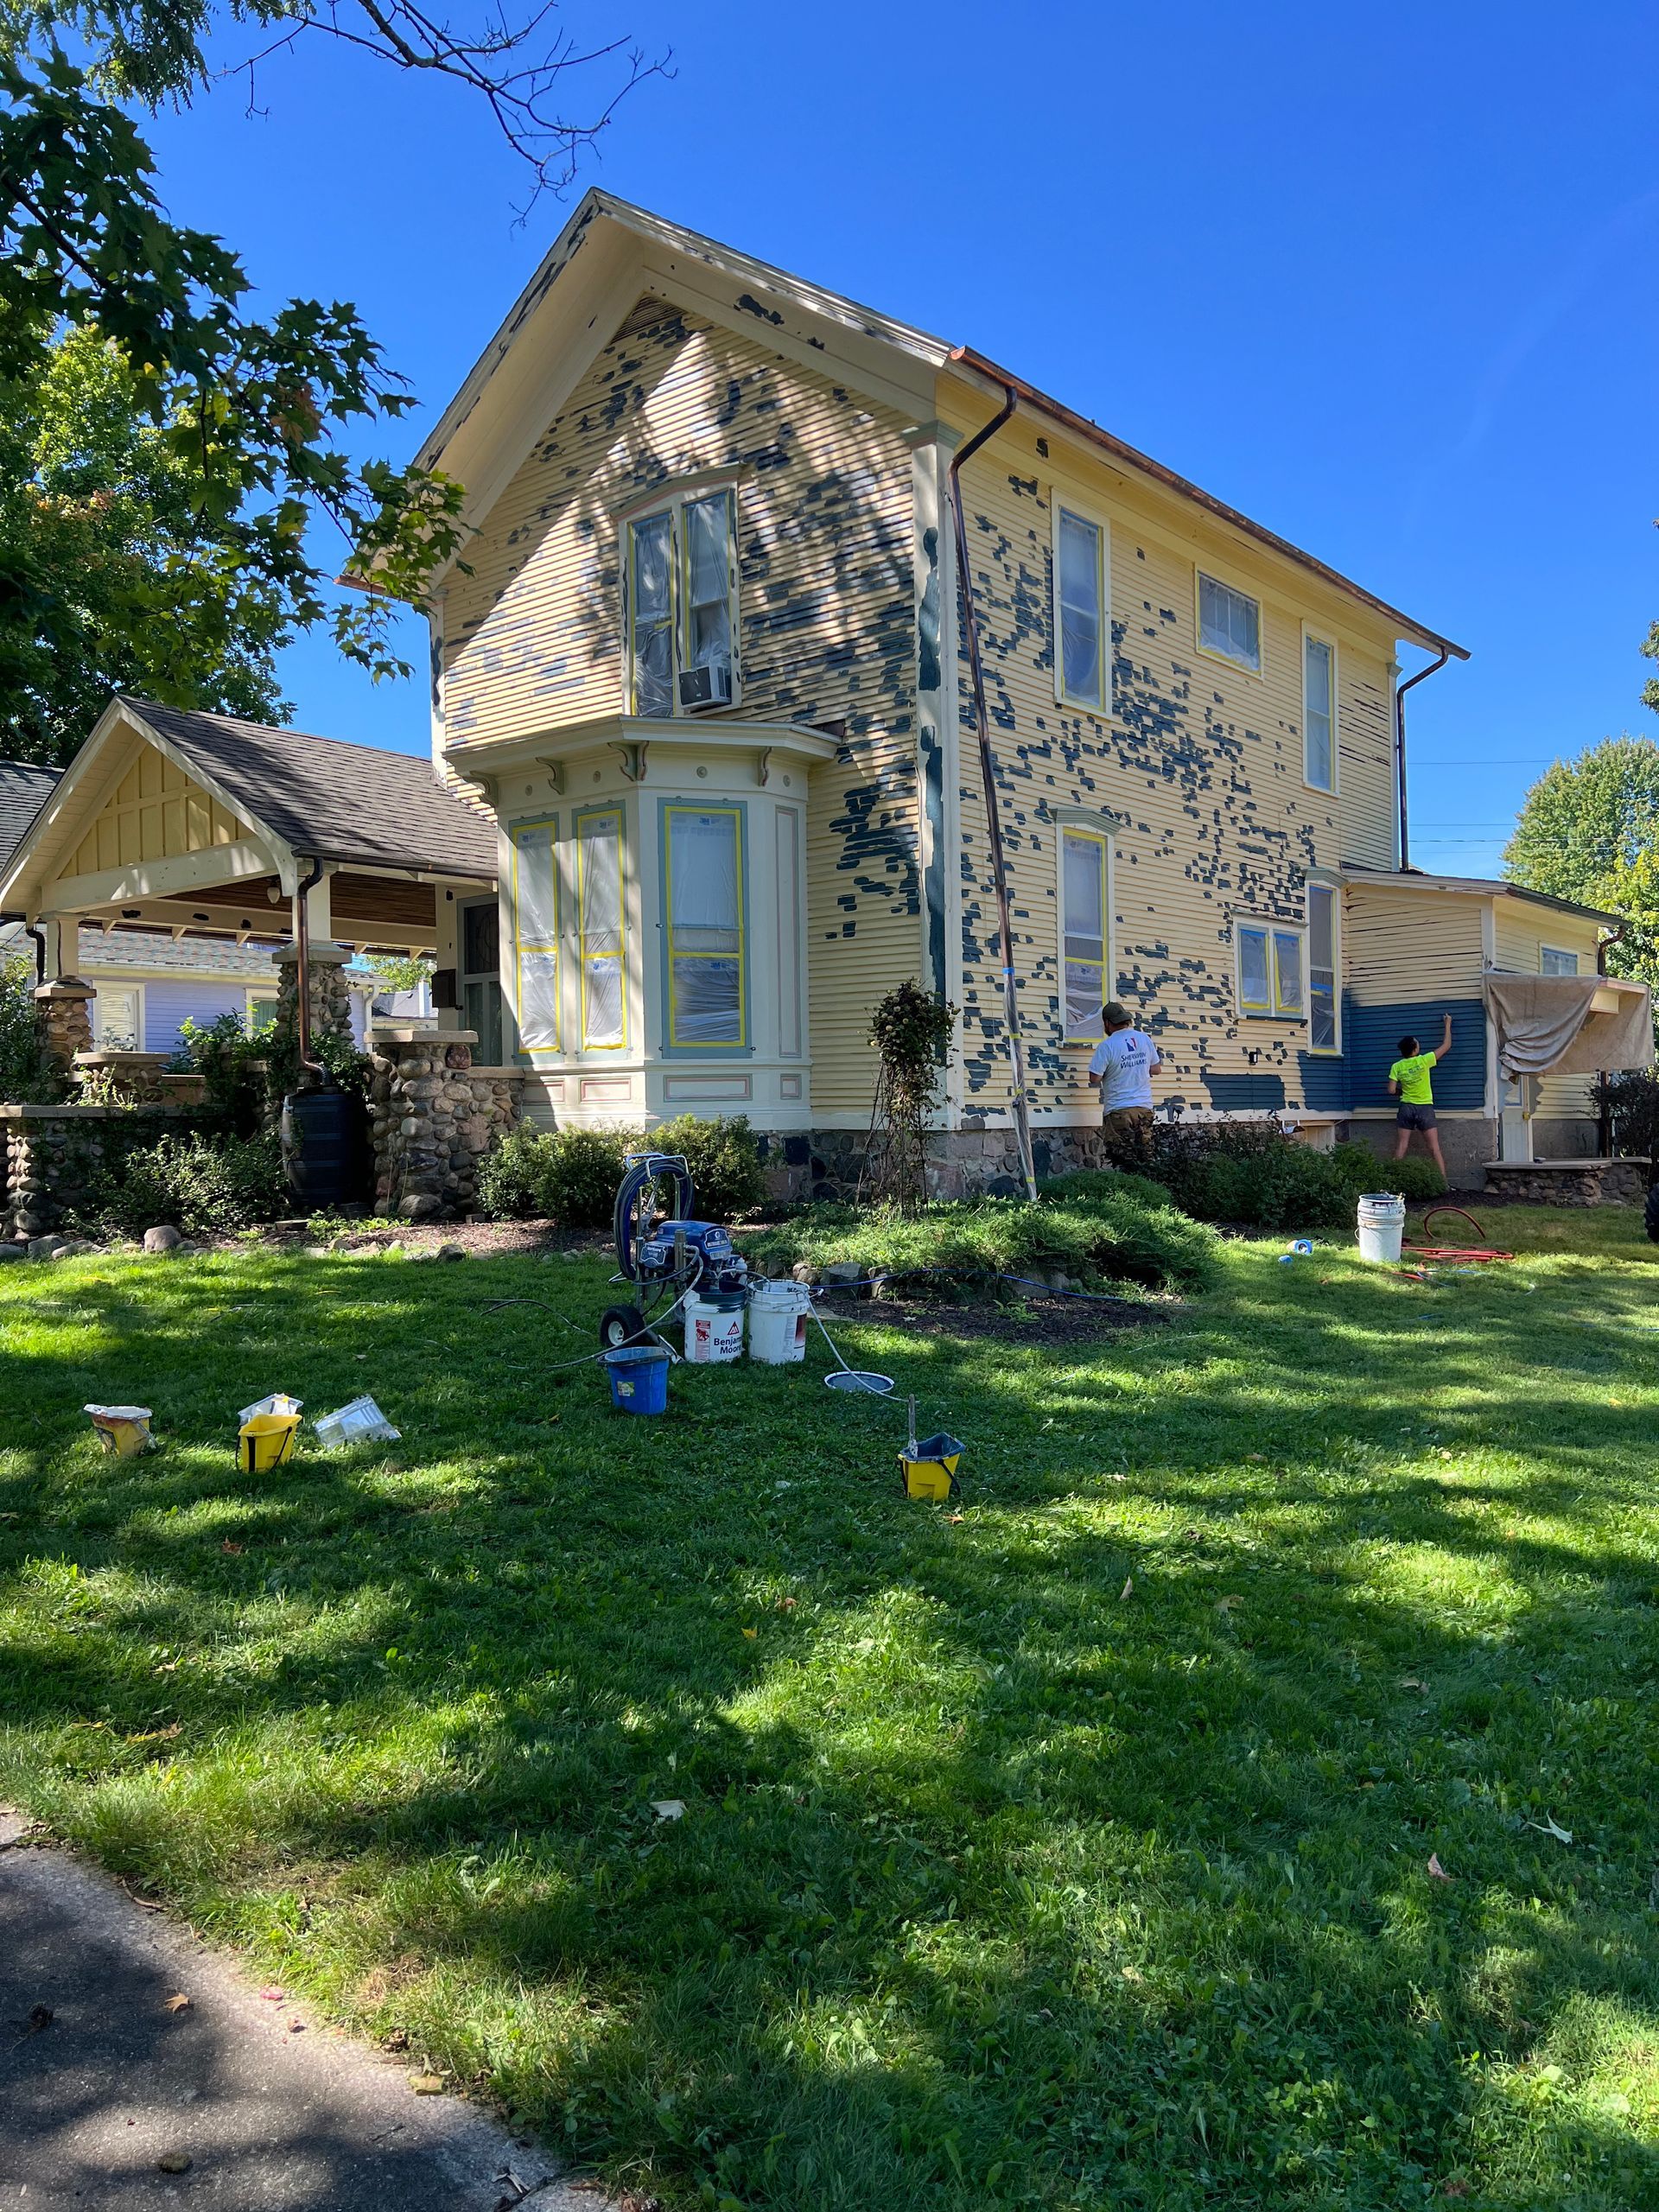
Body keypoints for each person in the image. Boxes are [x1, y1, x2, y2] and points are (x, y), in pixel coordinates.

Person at [1088, 1001, 1161, 1150]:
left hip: (1119, 1110)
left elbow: (1094, 1078)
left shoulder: (1107, 1046)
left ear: (1107, 1023)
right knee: (1144, 1155)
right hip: (1144, 1107)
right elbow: (1156, 1069)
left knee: (1121, 1155)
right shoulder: (1144, 1039)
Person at [1388, 1014, 1452, 1175]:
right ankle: (1443, 1183)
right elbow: (1446, 1045)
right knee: (1434, 1148)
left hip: (1406, 1107)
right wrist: (1447, 1024)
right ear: (1415, 1049)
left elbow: (1390, 1090)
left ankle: (1390, 1182)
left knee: (1402, 1146)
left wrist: (1402, 1092)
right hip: (1424, 1108)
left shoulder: (1397, 1066)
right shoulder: (1424, 1060)